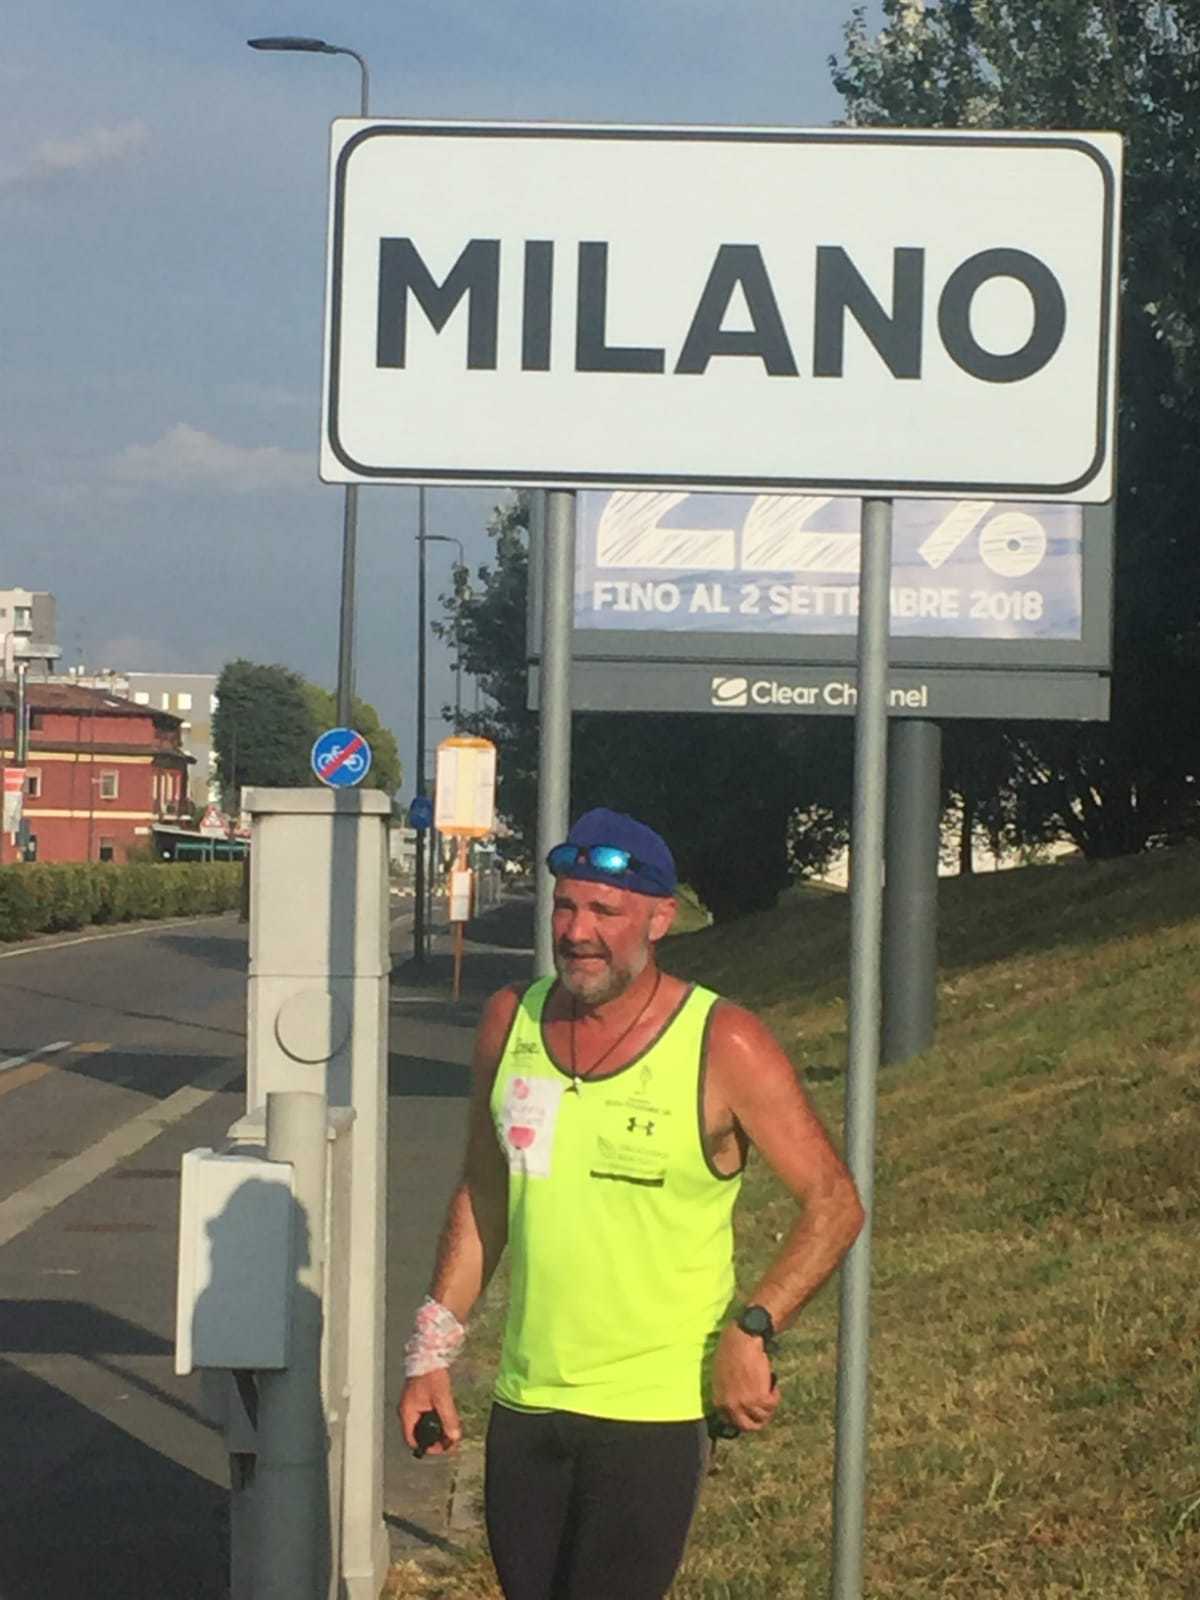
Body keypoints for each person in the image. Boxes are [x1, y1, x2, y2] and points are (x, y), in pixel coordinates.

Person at [398, 807, 864, 1600]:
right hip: (527, 1403)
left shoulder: (723, 1042)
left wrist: (755, 1329)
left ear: (659, 919)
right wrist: (430, 1354)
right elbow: (484, 1192)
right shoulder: (511, 1020)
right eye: (567, 906)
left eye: (605, 912)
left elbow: (834, 1202)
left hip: (652, 1415)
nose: (579, 931)